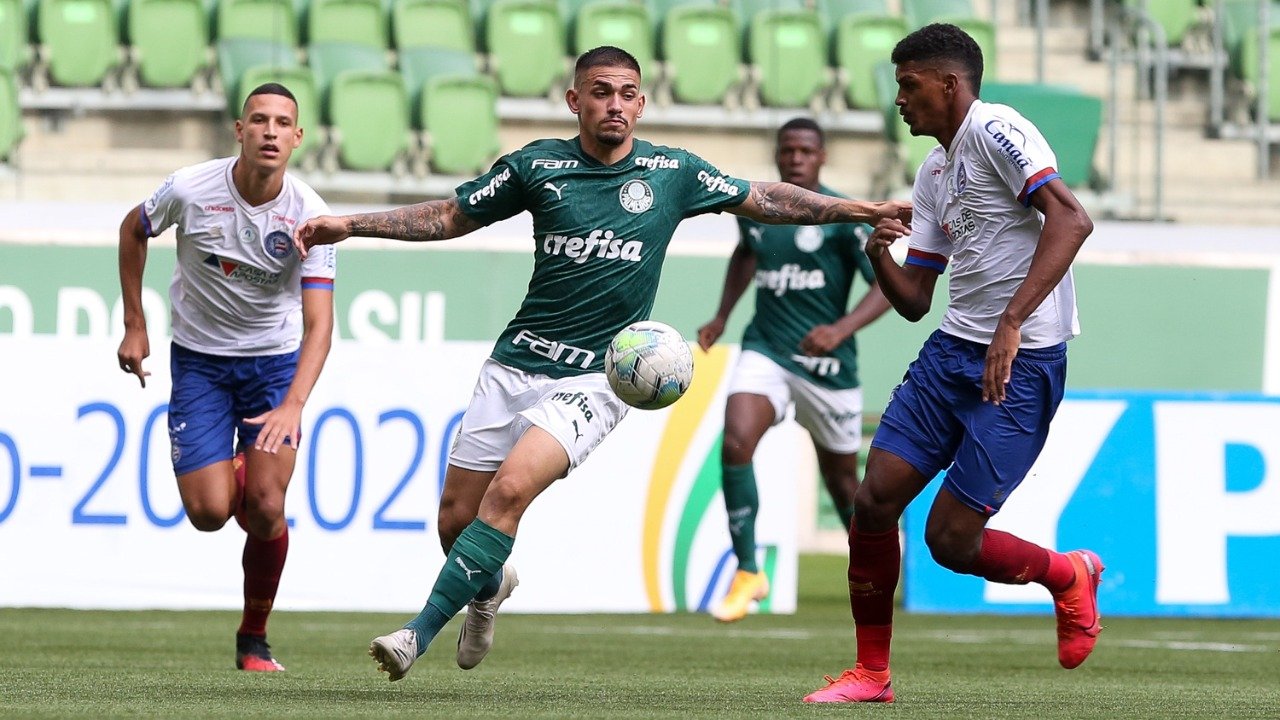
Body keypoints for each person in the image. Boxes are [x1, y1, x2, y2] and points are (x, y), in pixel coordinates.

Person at [293, 45, 910, 682]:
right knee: (456, 520)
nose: (615, 104)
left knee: (509, 492)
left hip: (599, 376)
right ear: (575, 100)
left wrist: (863, 209)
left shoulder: (673, 172)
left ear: (641, 104)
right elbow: (451, 216)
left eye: (626, 93)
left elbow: (766, 199)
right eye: (600, 91)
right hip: (516, 362)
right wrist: (351, 224)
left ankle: (414, 634)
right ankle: (490, 587)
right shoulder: (537, 165)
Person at [802, 24, 1101, 704]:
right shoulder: (934, 172)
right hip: (951, 352)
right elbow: (915, 300)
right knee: (873, 501)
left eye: (908, 85)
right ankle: (871, 674)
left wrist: (1012, 322)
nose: (899, 99)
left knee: (949, 541)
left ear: (949, 83)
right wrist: (878, 253)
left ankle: (1067, 575)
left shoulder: (998, 130)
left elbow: (1071, 220)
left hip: (1020, 363)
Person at [116, 83, 336, 673]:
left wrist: (294, 403)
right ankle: (239, 465)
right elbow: (133, 229)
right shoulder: (191, 188)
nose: (270, 131)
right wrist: (135, 324)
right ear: (239, 130)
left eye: (282, 123)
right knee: (210, 513)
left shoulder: (310, 215)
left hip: (273, 365)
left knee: (265, 506)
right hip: (200, 362)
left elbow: (320, 325)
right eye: (258, 120)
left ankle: (253, 639)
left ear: (298, 137)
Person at [696, 118, 892, 623]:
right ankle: (748, 570)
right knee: (736, 442)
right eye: (788, 150)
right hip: (766, 348)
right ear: (778, 155)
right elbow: (746, 254)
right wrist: (722, 315)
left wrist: (841, 329)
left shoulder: (844, 217)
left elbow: (885, 287)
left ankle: (873, 570)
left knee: (844, 485)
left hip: (828, 366)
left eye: (806, 151)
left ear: (822, 157)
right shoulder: (758, 210)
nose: (796, 158)